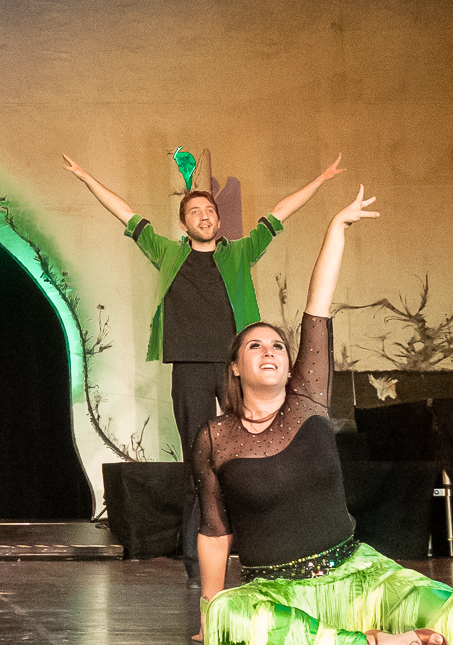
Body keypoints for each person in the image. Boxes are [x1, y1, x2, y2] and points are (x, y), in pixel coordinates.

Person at [195, 188, 453, 645]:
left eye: (278, 346)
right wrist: (209, 610)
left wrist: (336, 229)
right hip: (275, 593)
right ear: (236, 367)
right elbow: (214, 529)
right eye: (255, 346)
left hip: (357, 577)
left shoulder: (308, 399)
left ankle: (346, 643)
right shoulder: (216, 438)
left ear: (290, 363)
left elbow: (317, 309)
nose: (269, 351)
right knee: (230, 618)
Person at [61, 151, 343, 585]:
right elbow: (125, 213)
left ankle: (261, 546)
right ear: (184, 224)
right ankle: (199, 564)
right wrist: (85, 177)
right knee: (201, 462)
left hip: (235, 368)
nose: (204, 216)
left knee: (251, 451)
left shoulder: (240, 252)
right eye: (194, 212)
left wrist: (321, 179)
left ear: (218, 220)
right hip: (189, 366)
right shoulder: (166, 252)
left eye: (209, 210)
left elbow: (280, 211)